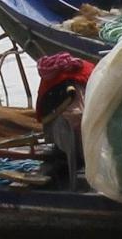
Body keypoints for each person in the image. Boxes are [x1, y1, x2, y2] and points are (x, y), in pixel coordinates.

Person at [34, 53, 93, 189]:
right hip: (65, 123)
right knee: (74, 125)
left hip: (78, 115)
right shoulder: (53, 90)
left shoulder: (86, 75)